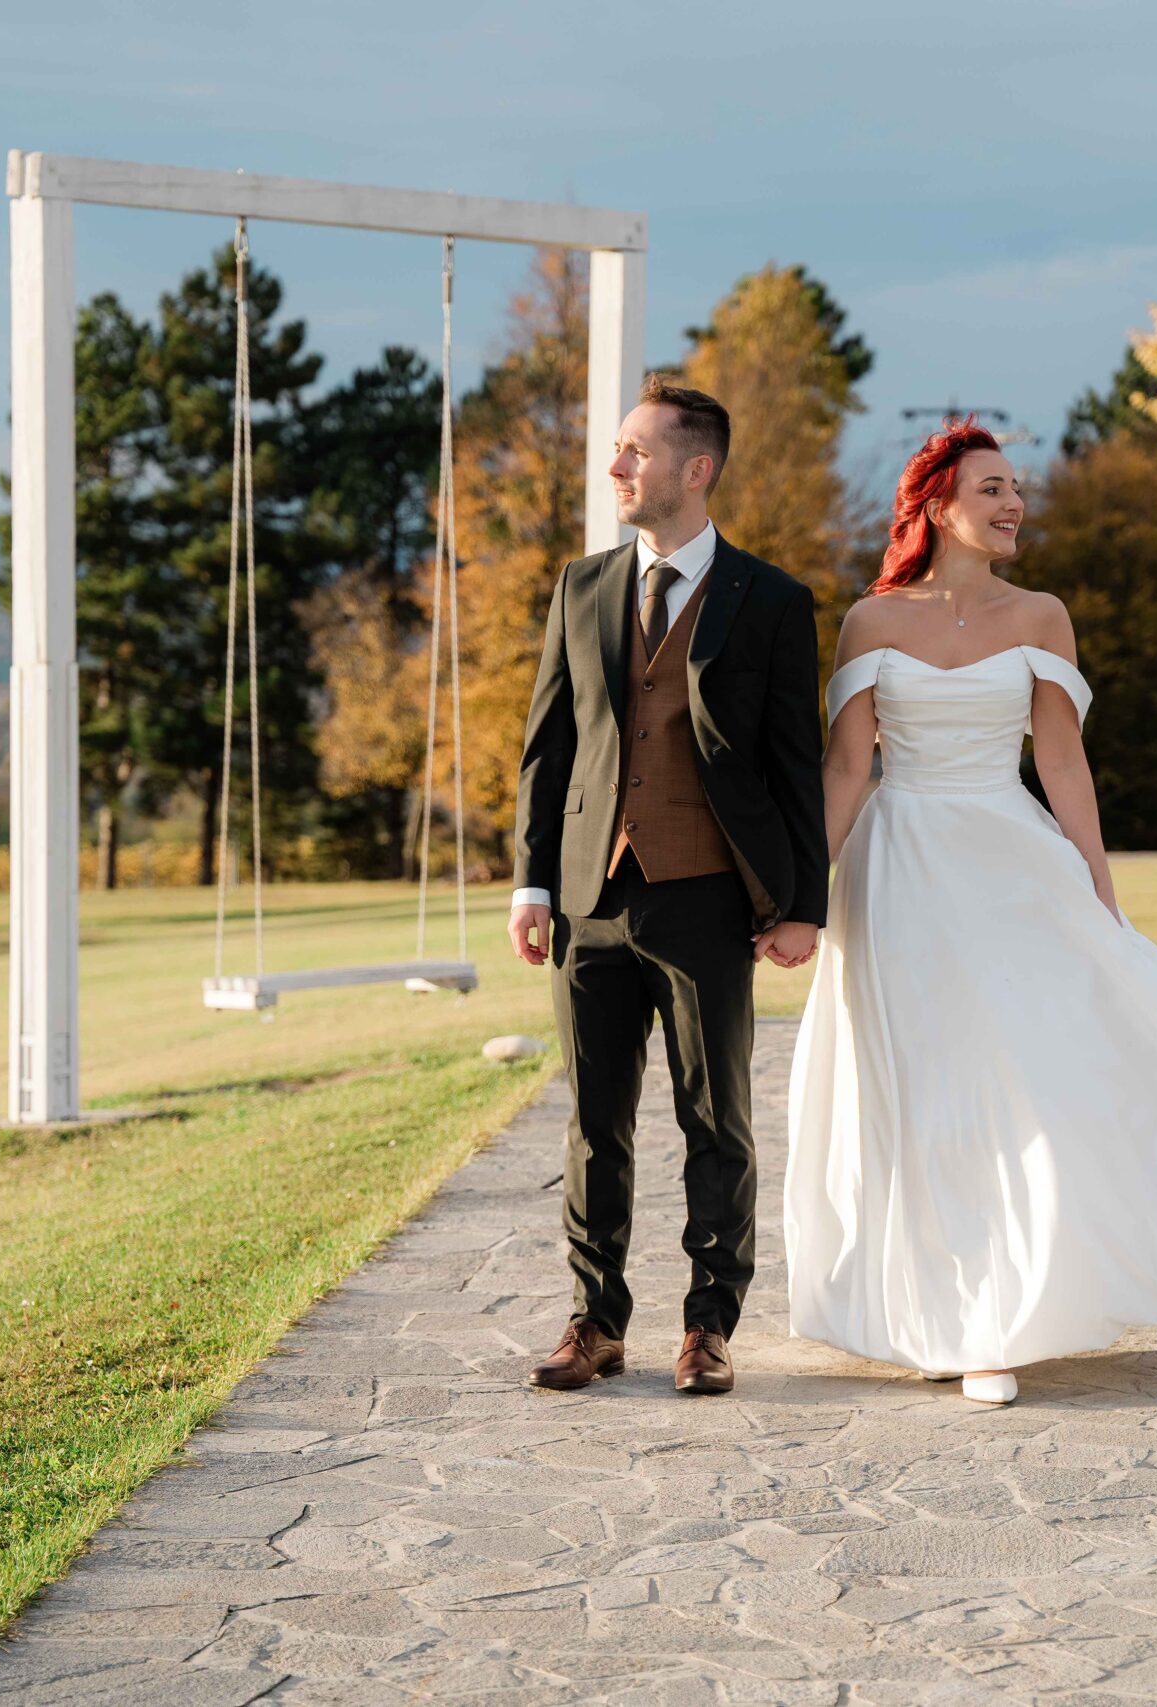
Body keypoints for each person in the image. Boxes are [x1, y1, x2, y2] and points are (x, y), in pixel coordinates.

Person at [784, 421, 1157, 1406]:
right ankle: (933, 1311)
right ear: (937, 505)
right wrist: (798, 898)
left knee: (1015, 1078)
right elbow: (848, 768)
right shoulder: (870, 621)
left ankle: (993, 1320)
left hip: (1008, 865)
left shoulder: (1042, 615)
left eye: (1016, 488)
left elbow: (1061, 759)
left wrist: (1096, 885)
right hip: (896, 872)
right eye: (992, 488)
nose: (1014, 503)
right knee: (915, 1087)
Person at [508, 374, 827, 1398]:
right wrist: (530, 882)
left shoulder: (772, 600)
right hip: (589, 895)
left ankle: (708, 1326)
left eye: (635, 452)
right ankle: (595, 1321)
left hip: (708, 895)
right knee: (593, 1123)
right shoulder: (582, 585)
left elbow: (796, 762)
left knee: (714, 1121)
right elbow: (548, 746)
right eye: (618, 448)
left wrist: (802, 902)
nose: (615, 467)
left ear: (696, 470)